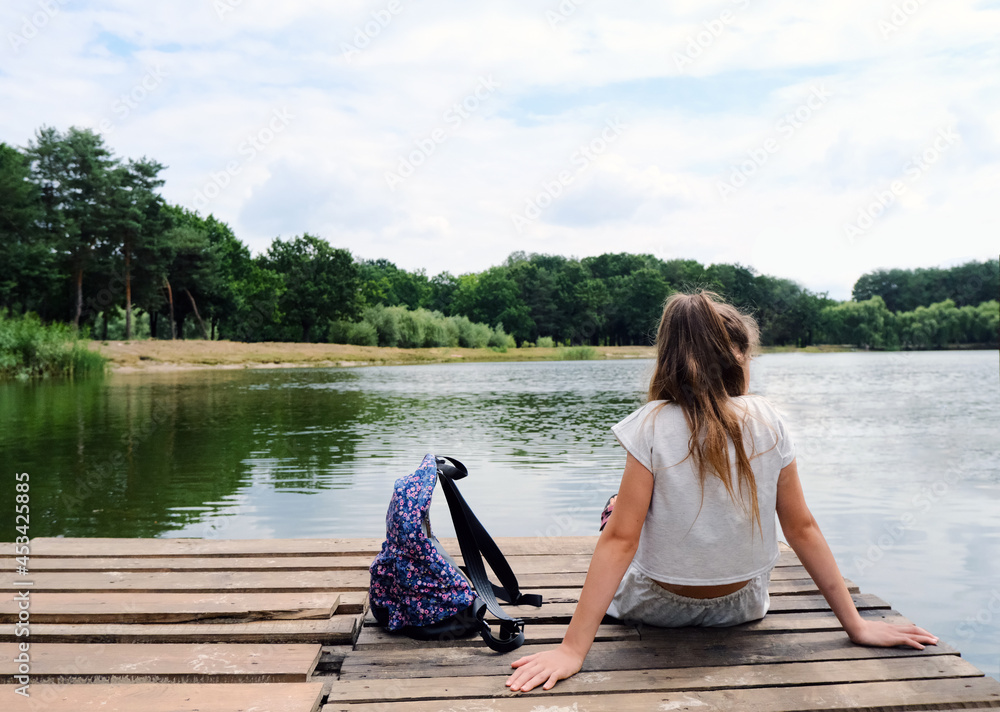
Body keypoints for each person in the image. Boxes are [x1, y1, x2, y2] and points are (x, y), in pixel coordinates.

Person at [505, 291, 937, 693]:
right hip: (743, 605)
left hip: (657, 608)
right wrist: (856, 625)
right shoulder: (769, 419)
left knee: (617, 512)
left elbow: (621, 540)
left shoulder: (652, 422)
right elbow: (801, 526)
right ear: (738, 359)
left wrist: (572, 650)